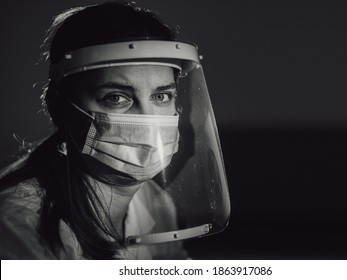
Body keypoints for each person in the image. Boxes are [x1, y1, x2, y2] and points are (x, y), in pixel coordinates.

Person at [0, 2, 230, 259]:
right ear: (59, 107)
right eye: (116, 98)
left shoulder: (153, 203)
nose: (147, 119)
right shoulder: (18, 228)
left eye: (162, 96)